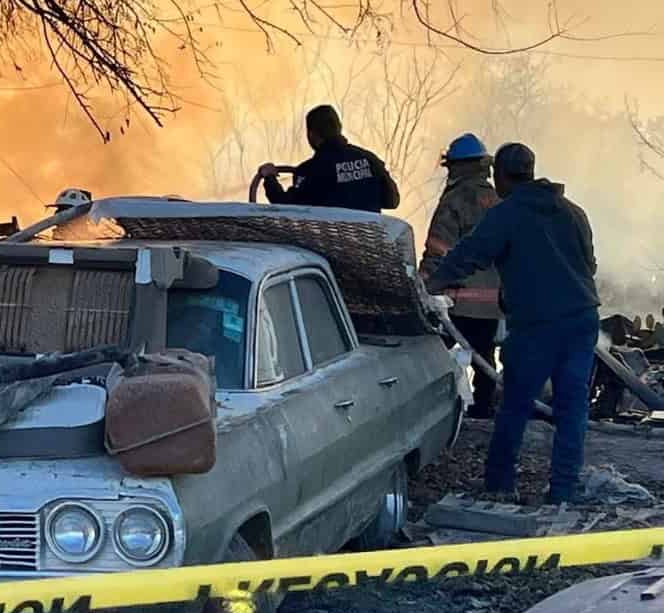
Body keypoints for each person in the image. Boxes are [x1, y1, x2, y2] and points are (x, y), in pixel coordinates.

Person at [425, 143, 599, 504]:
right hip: (582, 319)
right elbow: (589, 266)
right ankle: (563, 492)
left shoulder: (508, 214)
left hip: (537, 326)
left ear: (503, 175)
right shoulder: (573, 212)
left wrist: (430, 286)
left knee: (516, 404)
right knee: (572, 407)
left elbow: (468, 256)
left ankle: (500, 484)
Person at [419, 134, 503, 417]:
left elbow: (438, 248)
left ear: (457, 166)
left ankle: (429, 409)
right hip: (494, 303)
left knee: (433, 353)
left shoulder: (455, 200)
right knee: (485, 359)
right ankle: (483, 410)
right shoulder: (498, 198)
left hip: (459, 299)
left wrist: (422, 286)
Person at [256, 104, 401, 213]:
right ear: (339, 128)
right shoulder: (370, 160)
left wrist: (270, 178)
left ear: (312, 135)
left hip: (326, 250)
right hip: (371, 247)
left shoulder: (311, 170)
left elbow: (287, 207)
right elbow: (392, 201)